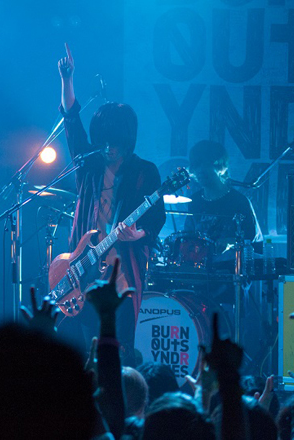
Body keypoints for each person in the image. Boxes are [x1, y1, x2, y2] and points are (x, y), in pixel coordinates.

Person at [57, 44, 166, 365]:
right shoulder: (89, 165)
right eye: (104, 142)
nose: (108, 148)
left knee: (120, 347)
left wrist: (139, 234)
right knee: (85, 346)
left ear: (126, 140)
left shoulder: (144, 172)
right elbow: (72, 122)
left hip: (122, 270)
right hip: (84, 267)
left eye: (114, 143)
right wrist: (67, 79)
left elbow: (156, 217)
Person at [184, 140, 262, 255]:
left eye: (205, 164)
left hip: (232, 263)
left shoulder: (239, 201)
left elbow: (252, 238)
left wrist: (231, 242)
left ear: (220, 166)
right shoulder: (194, 201)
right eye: (197, 165)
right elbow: (188, 236)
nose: (200, 170)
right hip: (202, 262)